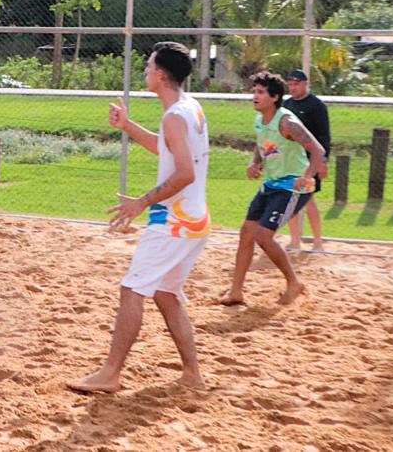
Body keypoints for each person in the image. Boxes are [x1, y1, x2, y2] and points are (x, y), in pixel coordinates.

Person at [70, 42, 210, 394]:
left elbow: (185, 174)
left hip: (175, 223)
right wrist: (128, 126)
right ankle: (192, 374)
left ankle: (110, 373)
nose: (145, 71)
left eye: (148, 67)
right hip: (194, 221)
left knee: (132, 290)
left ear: (160, 75)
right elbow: (167, 149)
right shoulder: (189, 107)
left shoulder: (175, 115)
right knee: (165, 294)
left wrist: (141, 202)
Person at [219, 72, 325, 307]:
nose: (254, 96)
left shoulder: (287, 122)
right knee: (246, 232)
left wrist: (306, 176)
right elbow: (262, 146)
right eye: (254, 91)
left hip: (293, 186)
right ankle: (236, 292)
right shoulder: (260, 120)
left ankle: (294, 282)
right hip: (272, 183)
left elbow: (318, 151)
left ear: (275, 97)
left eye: (260, 92)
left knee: (263, 236)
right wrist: (254, 163)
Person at [282, 70, 330, 251]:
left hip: (310, 160)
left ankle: (317, 241)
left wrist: (323, 161)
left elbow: (324, 135)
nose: (293, 87)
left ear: (306, 84)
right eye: (290, 84)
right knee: (291, 198)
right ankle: (295, 240)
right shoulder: (287, 105)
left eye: (296, 84)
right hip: (292, 159)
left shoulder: (317, 106)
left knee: (308, 200)